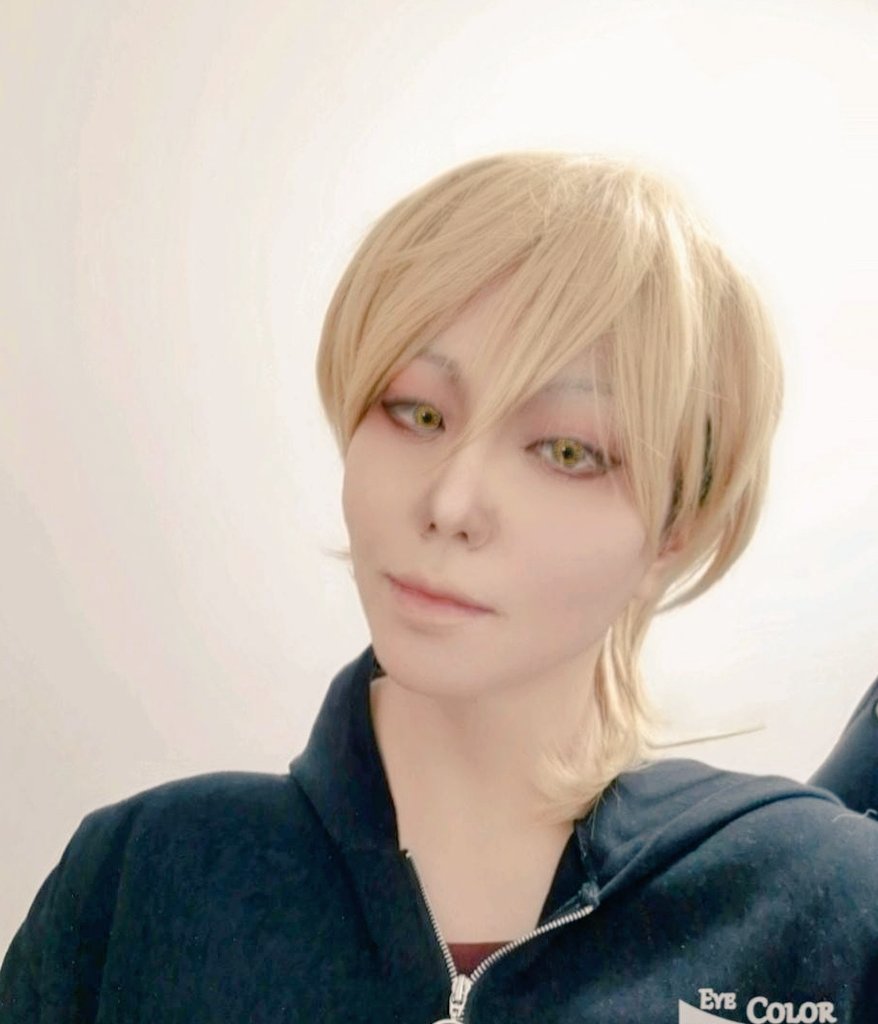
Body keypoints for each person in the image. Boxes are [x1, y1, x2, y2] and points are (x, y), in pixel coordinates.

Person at [1, 153, 876, 1023]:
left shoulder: (821, 905)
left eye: (566, 450)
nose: (451, 504)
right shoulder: (137, 881)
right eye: (418, 412)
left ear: (677, 527)